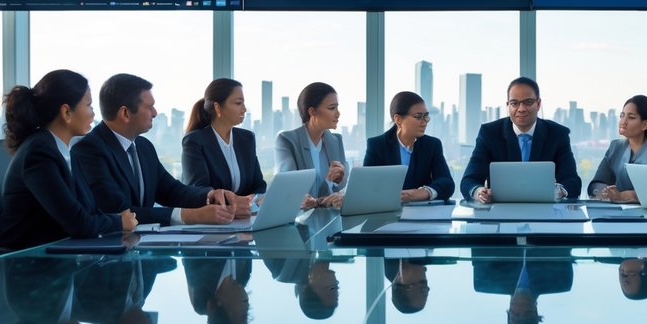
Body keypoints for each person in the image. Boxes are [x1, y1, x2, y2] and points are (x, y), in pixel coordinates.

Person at [0, 69, 136, 251]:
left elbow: (89, 211)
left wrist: (119, 219)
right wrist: (118, 222)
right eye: (89, 105)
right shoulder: (39, 153)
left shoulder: (66, 152)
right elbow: (78, 223)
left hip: (59, 255)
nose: (93, 114)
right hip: (29, 263)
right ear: (66, 112)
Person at [73, 74, 236, 227]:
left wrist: (209, 196)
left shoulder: (144, 147)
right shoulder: (89, 150)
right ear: (125, 113)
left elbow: (171, 190)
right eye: (149, 107)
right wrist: (191, 216)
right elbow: (119, 211)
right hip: (110, 252)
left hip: (142, 247)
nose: (155, 113)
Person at [460, 77, 582, 202]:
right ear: (508, 106)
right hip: (501, 211)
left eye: (528, 102)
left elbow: (572, 181)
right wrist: (479, 192)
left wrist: (558, 191)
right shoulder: (490, 133)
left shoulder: (557, 134)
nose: (521, 109)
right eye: (514, 103)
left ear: (538, 104)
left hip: (545, 211)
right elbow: (469, 180)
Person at [181, 78, 265, 217]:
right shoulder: (195, 141)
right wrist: (235, 202)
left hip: (245, 219)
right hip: (212, 222)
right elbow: (198, 190)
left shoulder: (247, 139)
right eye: (238, 103)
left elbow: (259, 184)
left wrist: (251, 199)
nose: (244, 109)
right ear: (217, 107)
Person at [363, 91, 454, 202]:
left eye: (426, 116)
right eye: (418, 116)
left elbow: (447, 183)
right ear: (398, 119)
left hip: (421, 213)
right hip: (386, 212)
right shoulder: (377, 145)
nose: (424, 122)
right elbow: (366, 187)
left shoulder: (432, 145)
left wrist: (425, 192)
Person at [587, 95, 647, 202]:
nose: (623, 122)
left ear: (645, 124)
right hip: (618, 214)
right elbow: (596, 184)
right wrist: (607, 192)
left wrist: (623, 196)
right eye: (622, 115)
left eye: (631, 117)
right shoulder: (615, 147)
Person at [275, 82, 349, 210]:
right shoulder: (287, 141)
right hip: (300, 221)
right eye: (332, 108)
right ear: (312, 111)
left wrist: (338, 182)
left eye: (337, 107)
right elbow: (292, 192)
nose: (338, 113)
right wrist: (328, 182)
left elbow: (342, 187)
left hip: (331, 218)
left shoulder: (336, 141)